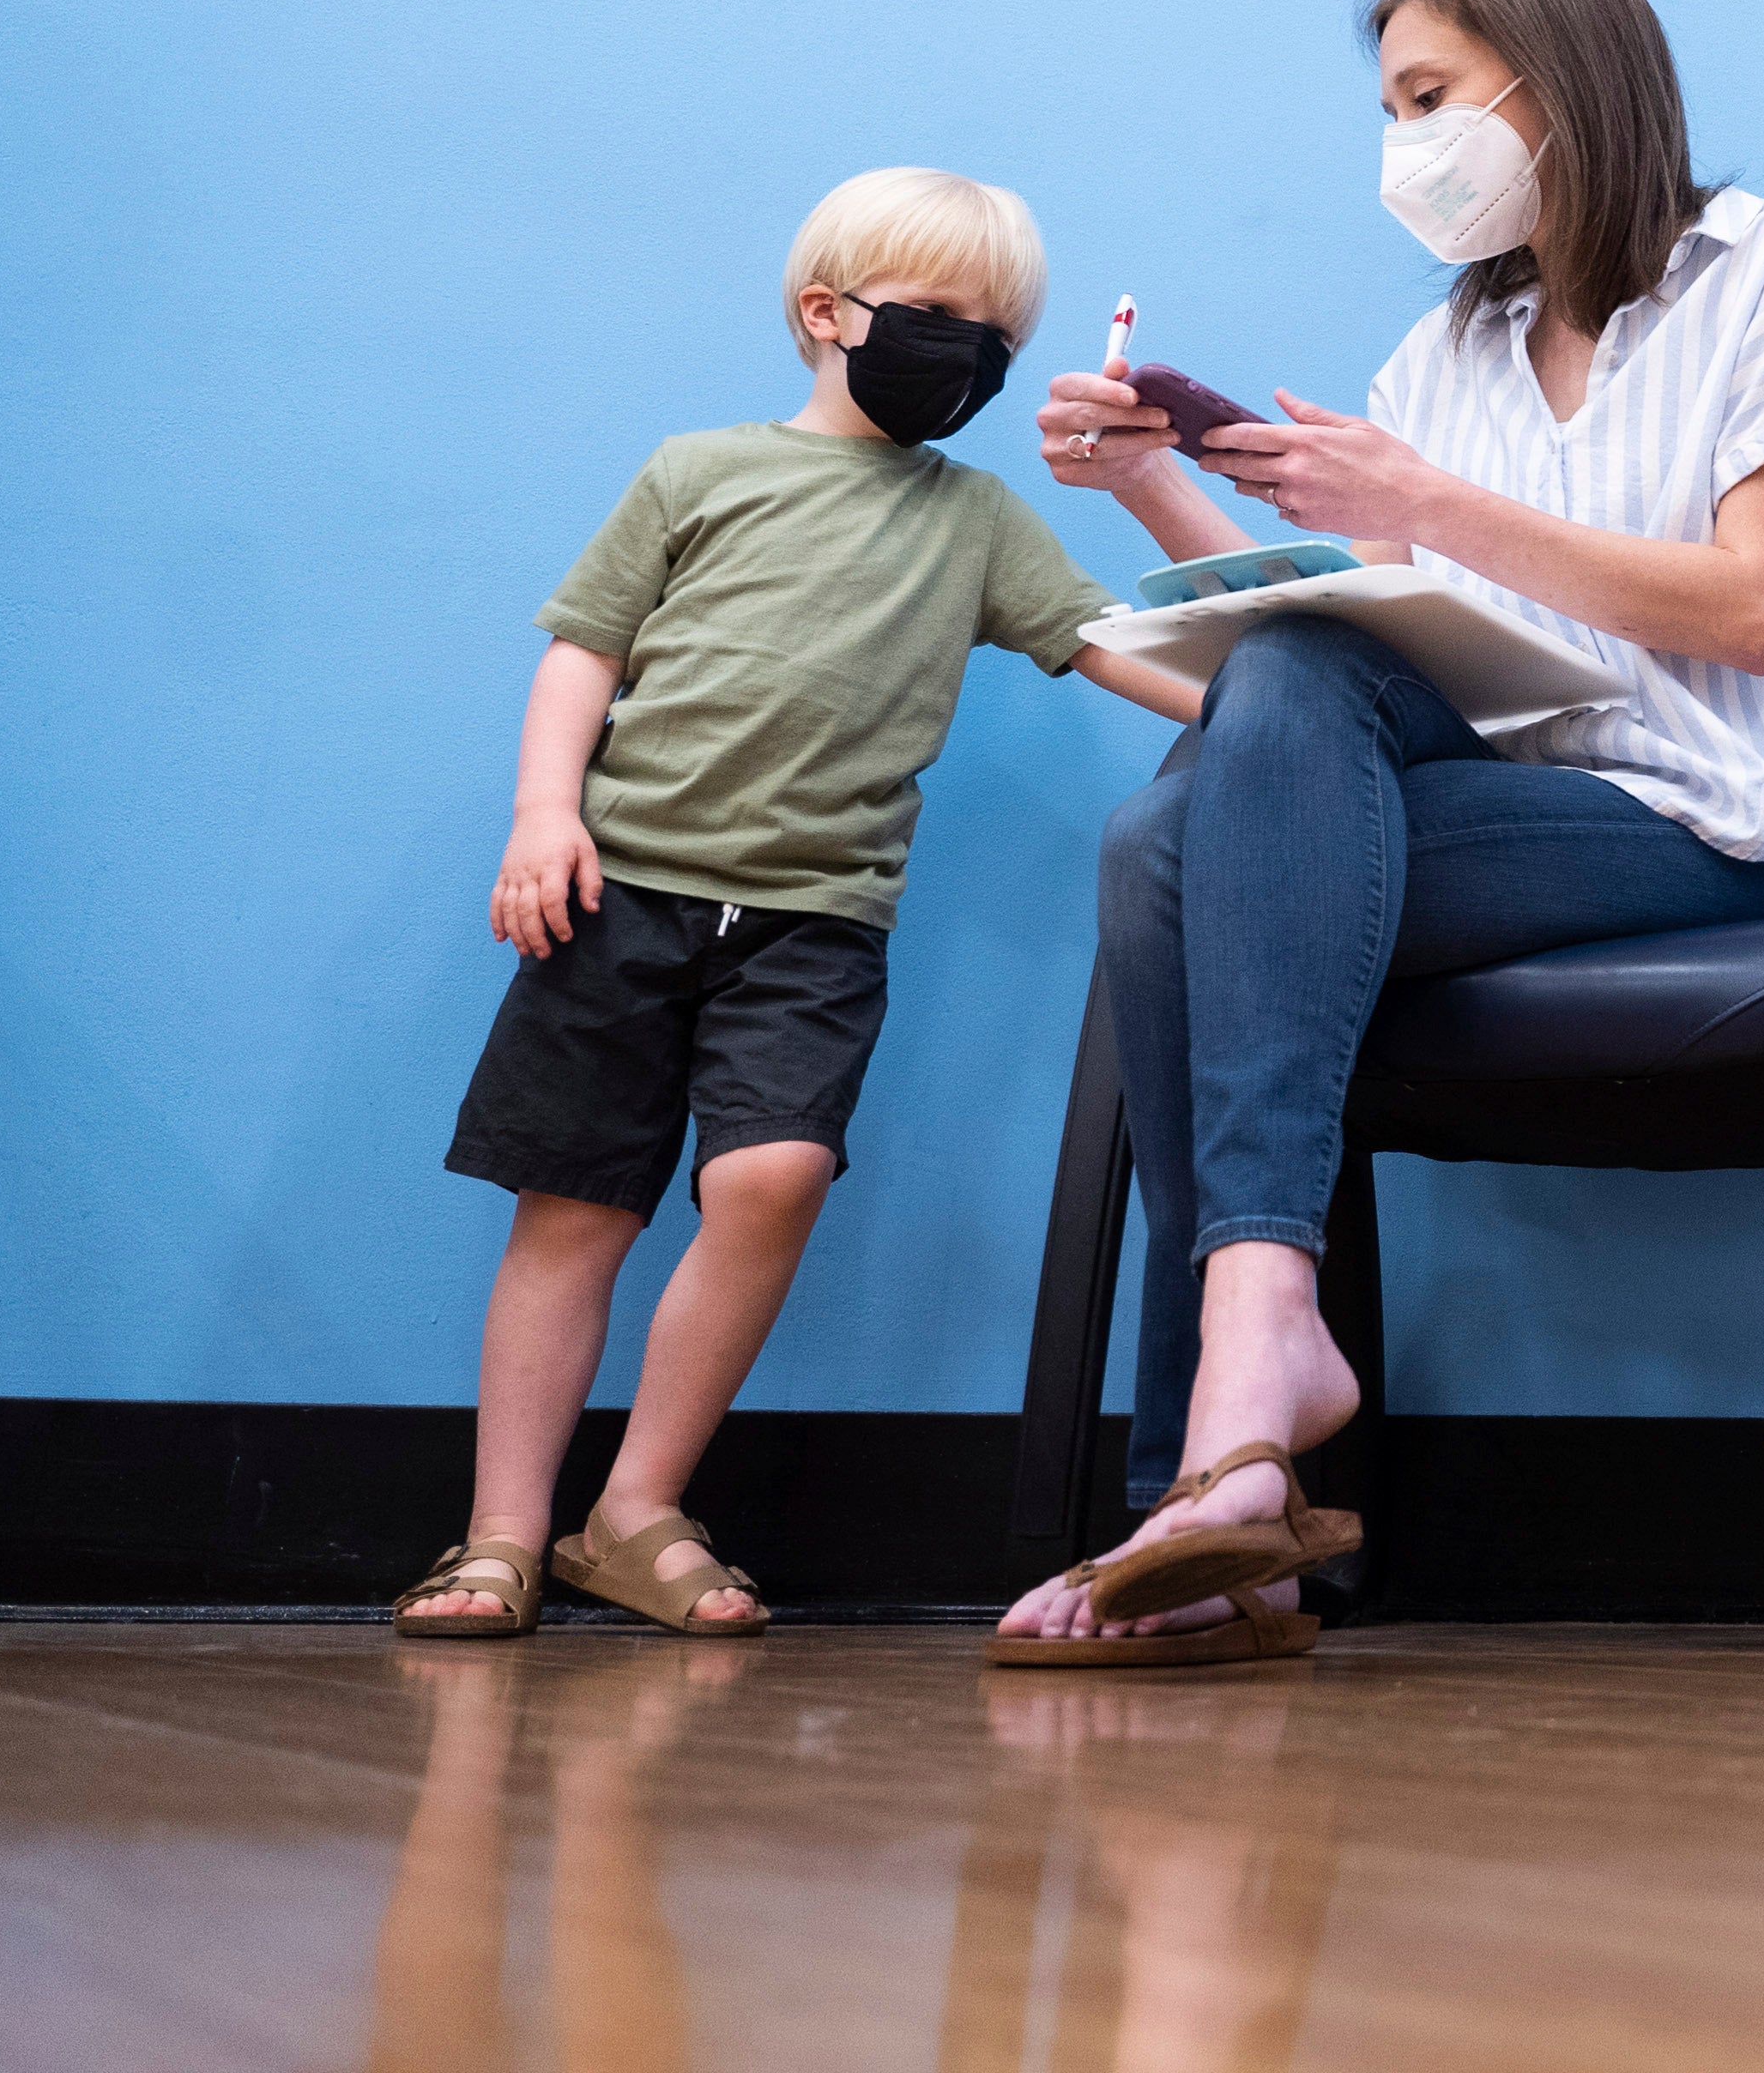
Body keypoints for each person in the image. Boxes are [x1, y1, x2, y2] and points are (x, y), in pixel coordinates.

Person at [991, 0, 1764, 1666]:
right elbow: (1328, 663)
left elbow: (1755, 605)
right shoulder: (1445, 359)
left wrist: (1424, 504)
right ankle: (1238, 1448)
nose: (1403, 144)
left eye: (1428, 97)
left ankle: (1223, 1446)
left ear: (1555, 86)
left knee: (1170, 849)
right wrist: (1160, 483)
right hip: (1495, 809)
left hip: (1714, 831)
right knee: (1190, 815)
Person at [393, 172, 1201, 1639]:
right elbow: (584, 651)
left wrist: (1288, 689)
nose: (970, 354)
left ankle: (634, 1512)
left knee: (773, 1179)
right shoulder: (696, 474)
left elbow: (1110, 644)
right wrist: (541, 813)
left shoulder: (976, 523)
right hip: (616, 894)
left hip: (816, 926)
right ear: (828, 316)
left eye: (998, 336)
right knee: (570, 1210)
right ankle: (501, 1535)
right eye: (942, 318)